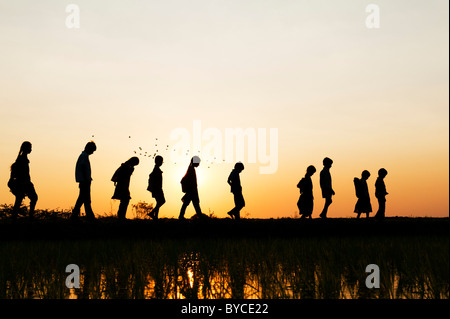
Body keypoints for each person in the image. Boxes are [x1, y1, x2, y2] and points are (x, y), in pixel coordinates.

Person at [8, 141, 38, 219]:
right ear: (26, 148)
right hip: (24, 183)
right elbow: (22, 173)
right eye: (30, 148)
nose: (31, 149)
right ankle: (30, 216)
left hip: (24, 183)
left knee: (20, 199)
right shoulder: (22, 159)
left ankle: (16, 217)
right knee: (32, 198)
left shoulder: (22, 158)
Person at [71, 141, 97, 221]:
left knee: (83, 199)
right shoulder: (84, 156)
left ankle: (83, 216)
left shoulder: (83, 156)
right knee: (84, 199)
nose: (92, 152)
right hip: (84, 181)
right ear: (89, 148)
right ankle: (88, 217)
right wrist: (86, 178)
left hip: (84, 180)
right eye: (92, 150)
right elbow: (83, 167)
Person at [147, 155, 166, 220]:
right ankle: (152, 213)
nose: (161, 163)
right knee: (162, 201)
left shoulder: (156, 169)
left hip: (157, 188)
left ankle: (155, 216)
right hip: (157, 189)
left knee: (159, 202)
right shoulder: (156, 170)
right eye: (161, 161)